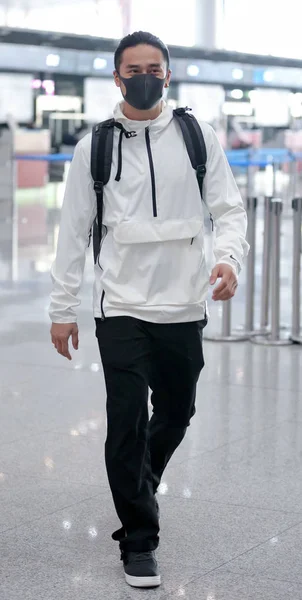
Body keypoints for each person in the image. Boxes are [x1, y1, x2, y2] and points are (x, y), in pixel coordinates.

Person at [49, 31, 249, 589]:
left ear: (168, 73)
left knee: (178, 410)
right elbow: (71, 234)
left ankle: (142, 480)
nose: (144, 76)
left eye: (154, 67)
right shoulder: (96, 147)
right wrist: (62, 308)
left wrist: (229, 260)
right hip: (121, 306)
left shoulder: (196, 136)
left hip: (184, 302)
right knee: (127, 419)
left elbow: (228, 210)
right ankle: (139, 538)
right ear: (116, 77)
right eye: (132, 68)